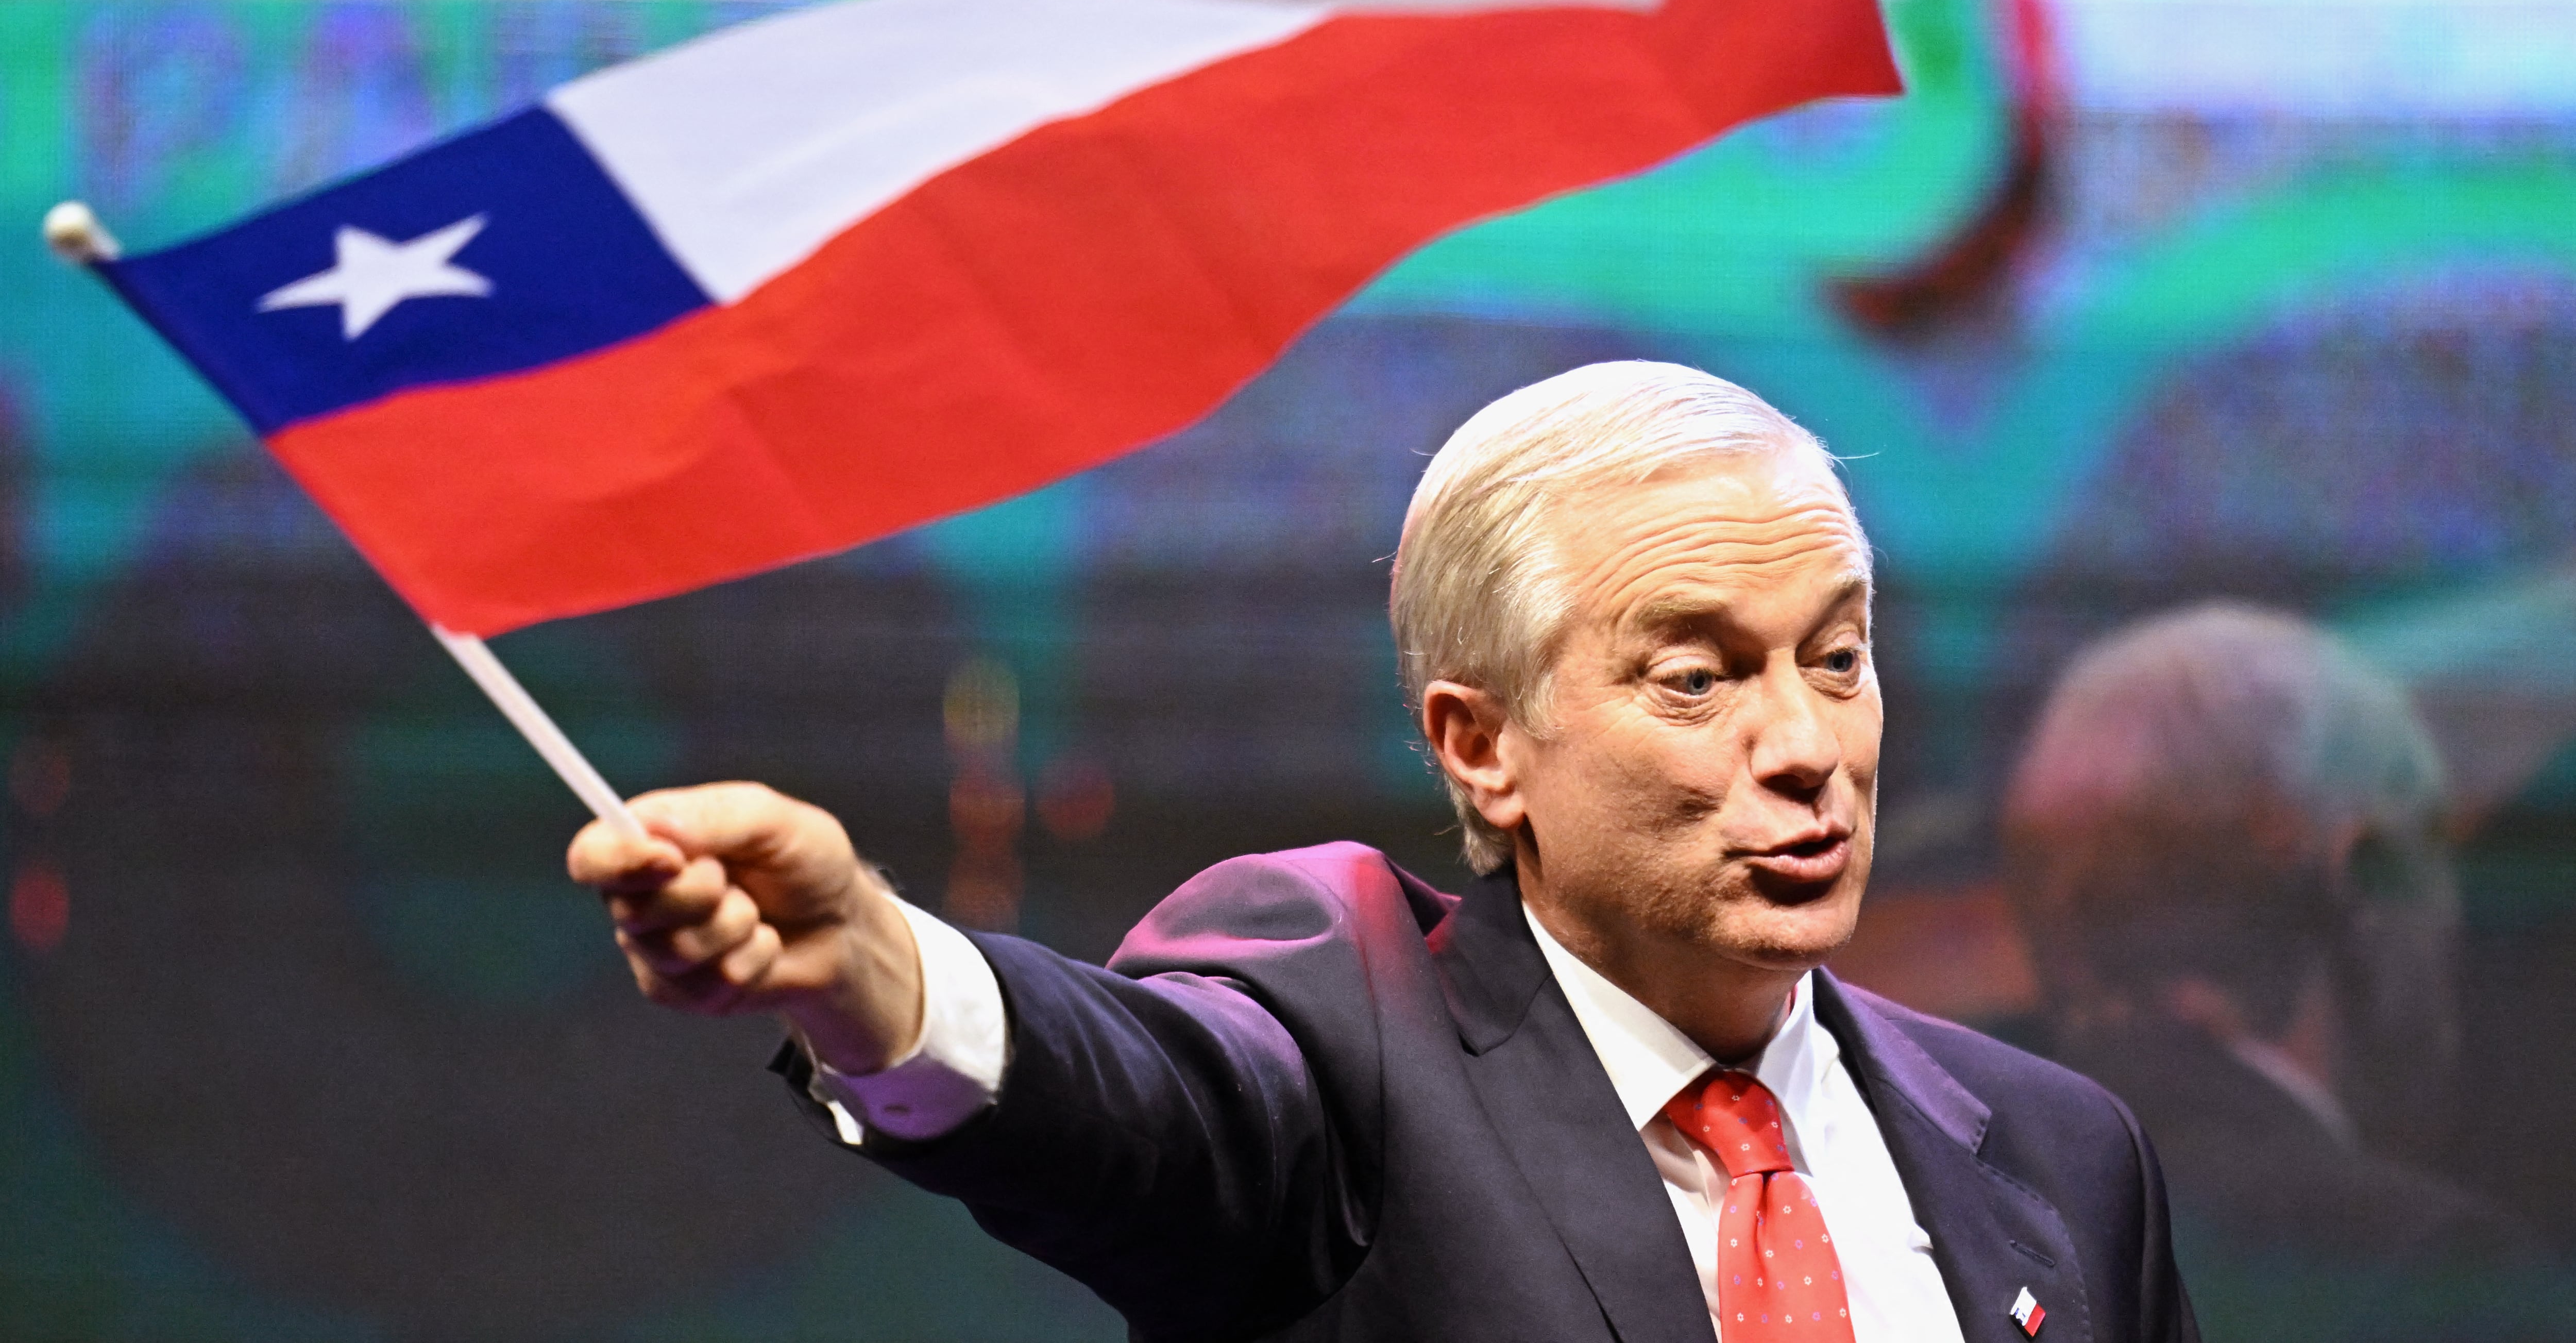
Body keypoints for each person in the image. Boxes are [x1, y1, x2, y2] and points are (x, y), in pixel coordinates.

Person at [569, 362, 2197, 1343]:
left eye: (1836, 656)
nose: (1805, 743)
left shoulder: (2066, 1157)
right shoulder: (1348, 1040)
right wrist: (875, 965)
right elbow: (1132, 1100)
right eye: (1696, 679)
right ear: (1482, 745)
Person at [2000, 603, 2547, 1338]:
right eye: (2433, 860)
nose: (2454, 930)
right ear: (2368, 875)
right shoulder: (2441, 1276)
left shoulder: (1930, 1217)